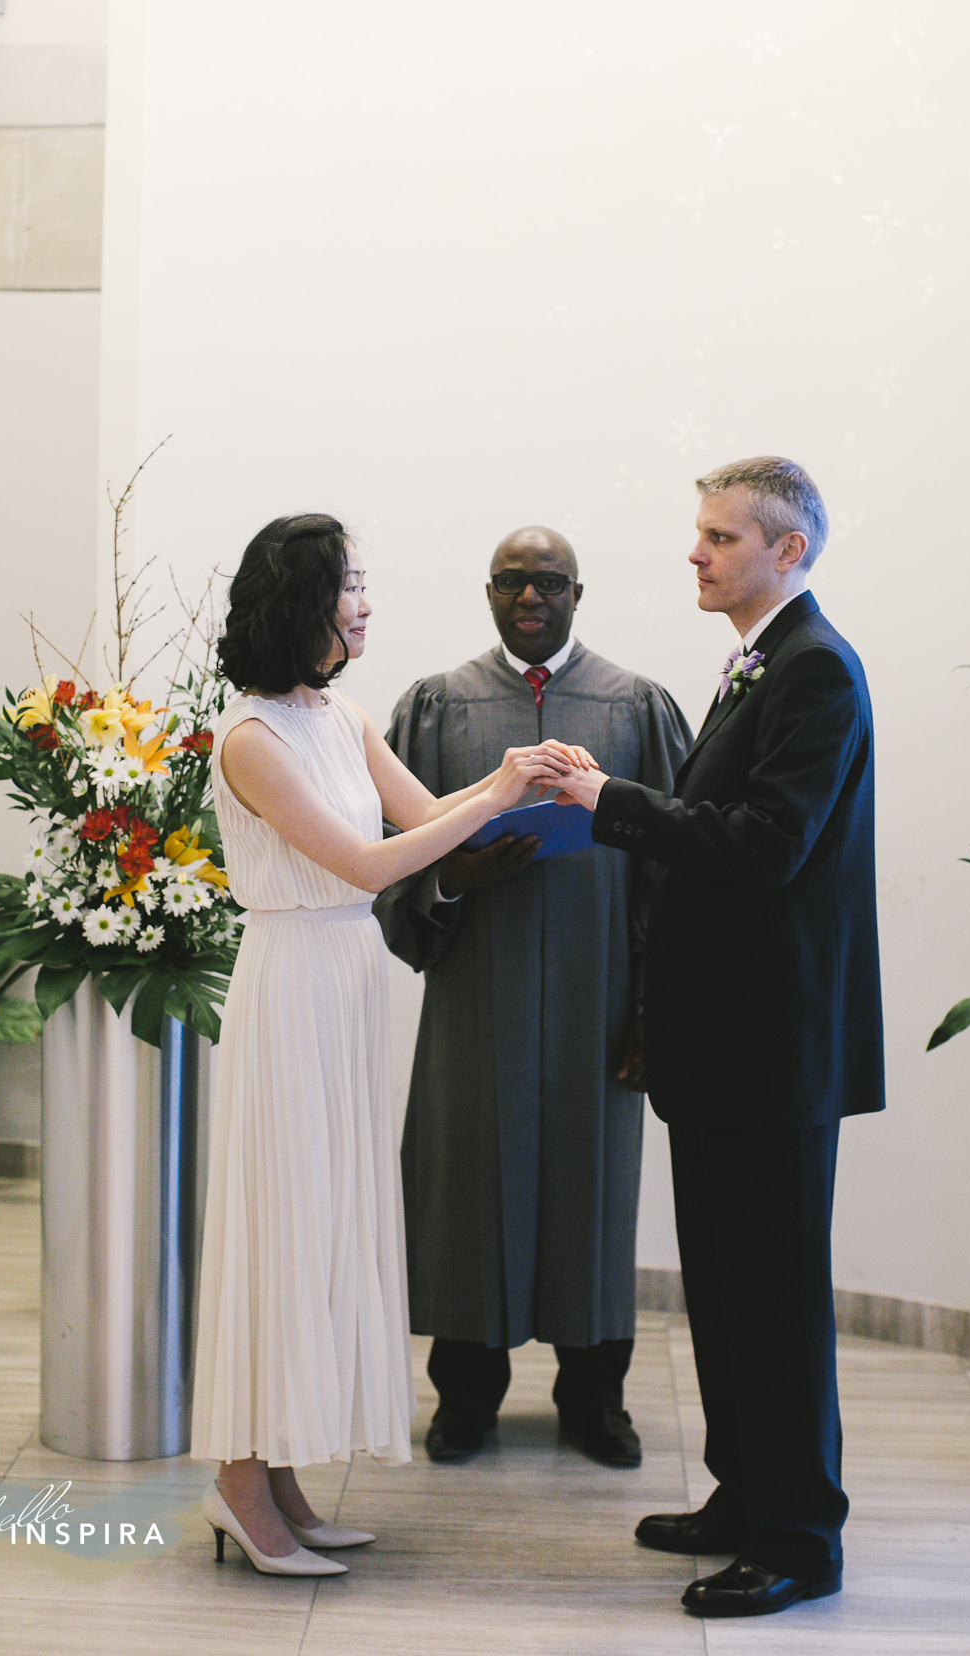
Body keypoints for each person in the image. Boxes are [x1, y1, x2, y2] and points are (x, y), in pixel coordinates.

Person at [190, 513, 580, 1577]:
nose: (365, 603)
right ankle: (238, 1479)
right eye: (349, 585)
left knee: (330, 1226)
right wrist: (497, 791)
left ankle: (281, 1481)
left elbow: (426, 815)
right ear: (301, 602)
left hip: (350, 983)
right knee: (285, 1224)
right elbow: (368, 864)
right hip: (291, 989)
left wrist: (523, 781)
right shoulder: (251, 738)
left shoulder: (344, 716)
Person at [554, 459, 884, 1618]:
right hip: (727, 1046)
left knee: (777, 1303)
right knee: (729, 1292)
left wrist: (612, 801)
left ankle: (800, 1539)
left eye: (720, 537)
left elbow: (767, 844)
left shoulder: (818, 672)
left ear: (787, 551)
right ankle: (746, 1496)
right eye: (698, 533)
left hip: (775, 1049)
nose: (695, 554)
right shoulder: (765, 664)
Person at [375, 526, 690, 1465]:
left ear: (577, 593)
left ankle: (595, 1399)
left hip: (602, 1001)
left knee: (595, 1189)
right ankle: (465, 1396)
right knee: (469, 1184)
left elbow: (676, 870)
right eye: (512, 582)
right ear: (488, 591)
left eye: (548, 582)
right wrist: (456, 878)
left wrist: (652, 1010)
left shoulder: (636, 707)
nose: (530, 598)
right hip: (479, 996)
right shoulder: (434, 708)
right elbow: (383, 858)